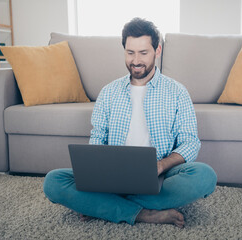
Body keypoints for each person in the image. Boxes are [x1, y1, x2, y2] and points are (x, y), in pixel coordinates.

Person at [43, 17, 217, 228]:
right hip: (112, 176)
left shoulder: (177, 92)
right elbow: (97, 138)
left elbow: (190, 142)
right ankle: (144, 213)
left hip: (160, 174)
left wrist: (161, 165)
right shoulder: (108, 92)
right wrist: (97, 173)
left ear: (157, 50)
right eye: (130, 52)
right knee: (53, 181)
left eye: (143, 53)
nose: (136, 60)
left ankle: (102, 207)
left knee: (204, 176)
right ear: (124, 50)